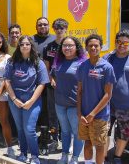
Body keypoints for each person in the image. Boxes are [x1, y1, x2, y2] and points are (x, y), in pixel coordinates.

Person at [3, 35, 50, 164]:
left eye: (27, 44)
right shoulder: (12, 61)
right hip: (15, 100)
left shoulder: (38, 62)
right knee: (20, 128)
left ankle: (34, 156)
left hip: (32, 101)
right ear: (18, 46)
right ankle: (23, 153)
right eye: (22, 44)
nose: (24, 46)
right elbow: (7, 81)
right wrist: (14, 99)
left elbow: (42, 83)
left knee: (29, 129)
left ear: (31, 46)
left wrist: (31, 101)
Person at [103, 29, 129, 164]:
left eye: (125, 43)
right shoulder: (107, 58)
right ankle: (103, 158)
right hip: (107, 104)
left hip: (128, 105)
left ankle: (117, 157)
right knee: (104, 133)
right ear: (115, 42)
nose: (121, 45)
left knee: (124, 134)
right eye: (119, 42)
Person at [76, 34, 115, 164]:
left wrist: (93, 114)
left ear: (101, 47)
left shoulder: (107, 67)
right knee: (87, 143)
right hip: (84, 115)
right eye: (90, 45)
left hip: (100, 115)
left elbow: (108, 95)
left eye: (96, 45)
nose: (93, 47)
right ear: (86, 48)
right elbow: (79, 91)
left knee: (99, 145)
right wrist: (79, 113)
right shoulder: (82, 66)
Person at [51, 36, 86, 164]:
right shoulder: (58, 61)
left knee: (77, 133)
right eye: (65, 45)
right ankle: (64, 155)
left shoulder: (82, 63)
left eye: (70, 45)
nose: (67, 48)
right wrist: (52, 80)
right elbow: (52, 75)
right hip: (59, 103)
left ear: (76, 47)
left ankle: (75, 158)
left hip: (75, 104)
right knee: (65, 131)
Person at [43, 18, 69, 140]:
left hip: (66, 84)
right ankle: (54, 136)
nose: (59, 30)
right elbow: (46, 66)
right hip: (52, 84)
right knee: (52, 112)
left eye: (62, 28)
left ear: (66, 29)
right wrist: (51, 79)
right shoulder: (49, 47)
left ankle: (65, 136)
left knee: (65, 112)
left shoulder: (70, 46)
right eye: (57, 28)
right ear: (53, 29)